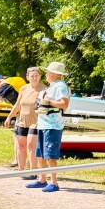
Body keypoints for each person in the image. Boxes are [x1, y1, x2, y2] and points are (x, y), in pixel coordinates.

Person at [27, 61, 71, 192]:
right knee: (40, 153)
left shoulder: (60, 86)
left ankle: (54, 183)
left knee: (50, 155)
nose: (45, 74)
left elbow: (64, 104)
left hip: (53, 125)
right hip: (43, 124)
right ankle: (42, 179)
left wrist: (48, 101)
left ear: (53, 74)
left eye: (47, 72)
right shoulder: (52, 86)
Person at [4, 67, 44, 180]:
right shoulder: (23, 88)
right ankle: (20, 171)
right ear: (27, 77)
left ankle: (33, 171)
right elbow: (17, 105)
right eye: (32, 76)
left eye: (37, 76)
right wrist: (9, 117)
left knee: (31, 145)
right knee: (21, 146)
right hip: (22, 120)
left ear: (40, 76)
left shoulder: (44, 89)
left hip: (36, 121)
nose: (35, 78)